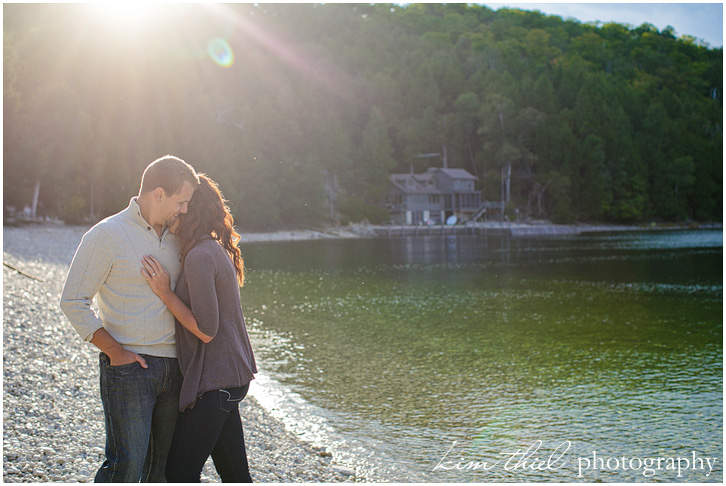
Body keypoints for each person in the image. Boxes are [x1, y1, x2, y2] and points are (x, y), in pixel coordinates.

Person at [60, 155, 199, 482]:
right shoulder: (107, 234)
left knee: (159, 472)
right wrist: (116, 352)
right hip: (129, 371)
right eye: (182, 202)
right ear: (159, 193)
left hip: (175, 368)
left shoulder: (179, 238)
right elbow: (73, 301)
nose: (185, 210)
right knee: (126, 467)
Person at [140, 174, 257, 482]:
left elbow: (207, 330)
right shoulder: (212, 248)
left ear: (194, 211)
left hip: (217, 383)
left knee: (179, 473)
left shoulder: (200, 256)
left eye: (183, 205)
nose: (177, 211)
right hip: (230, 378)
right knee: (236, 476)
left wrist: (164, 292)